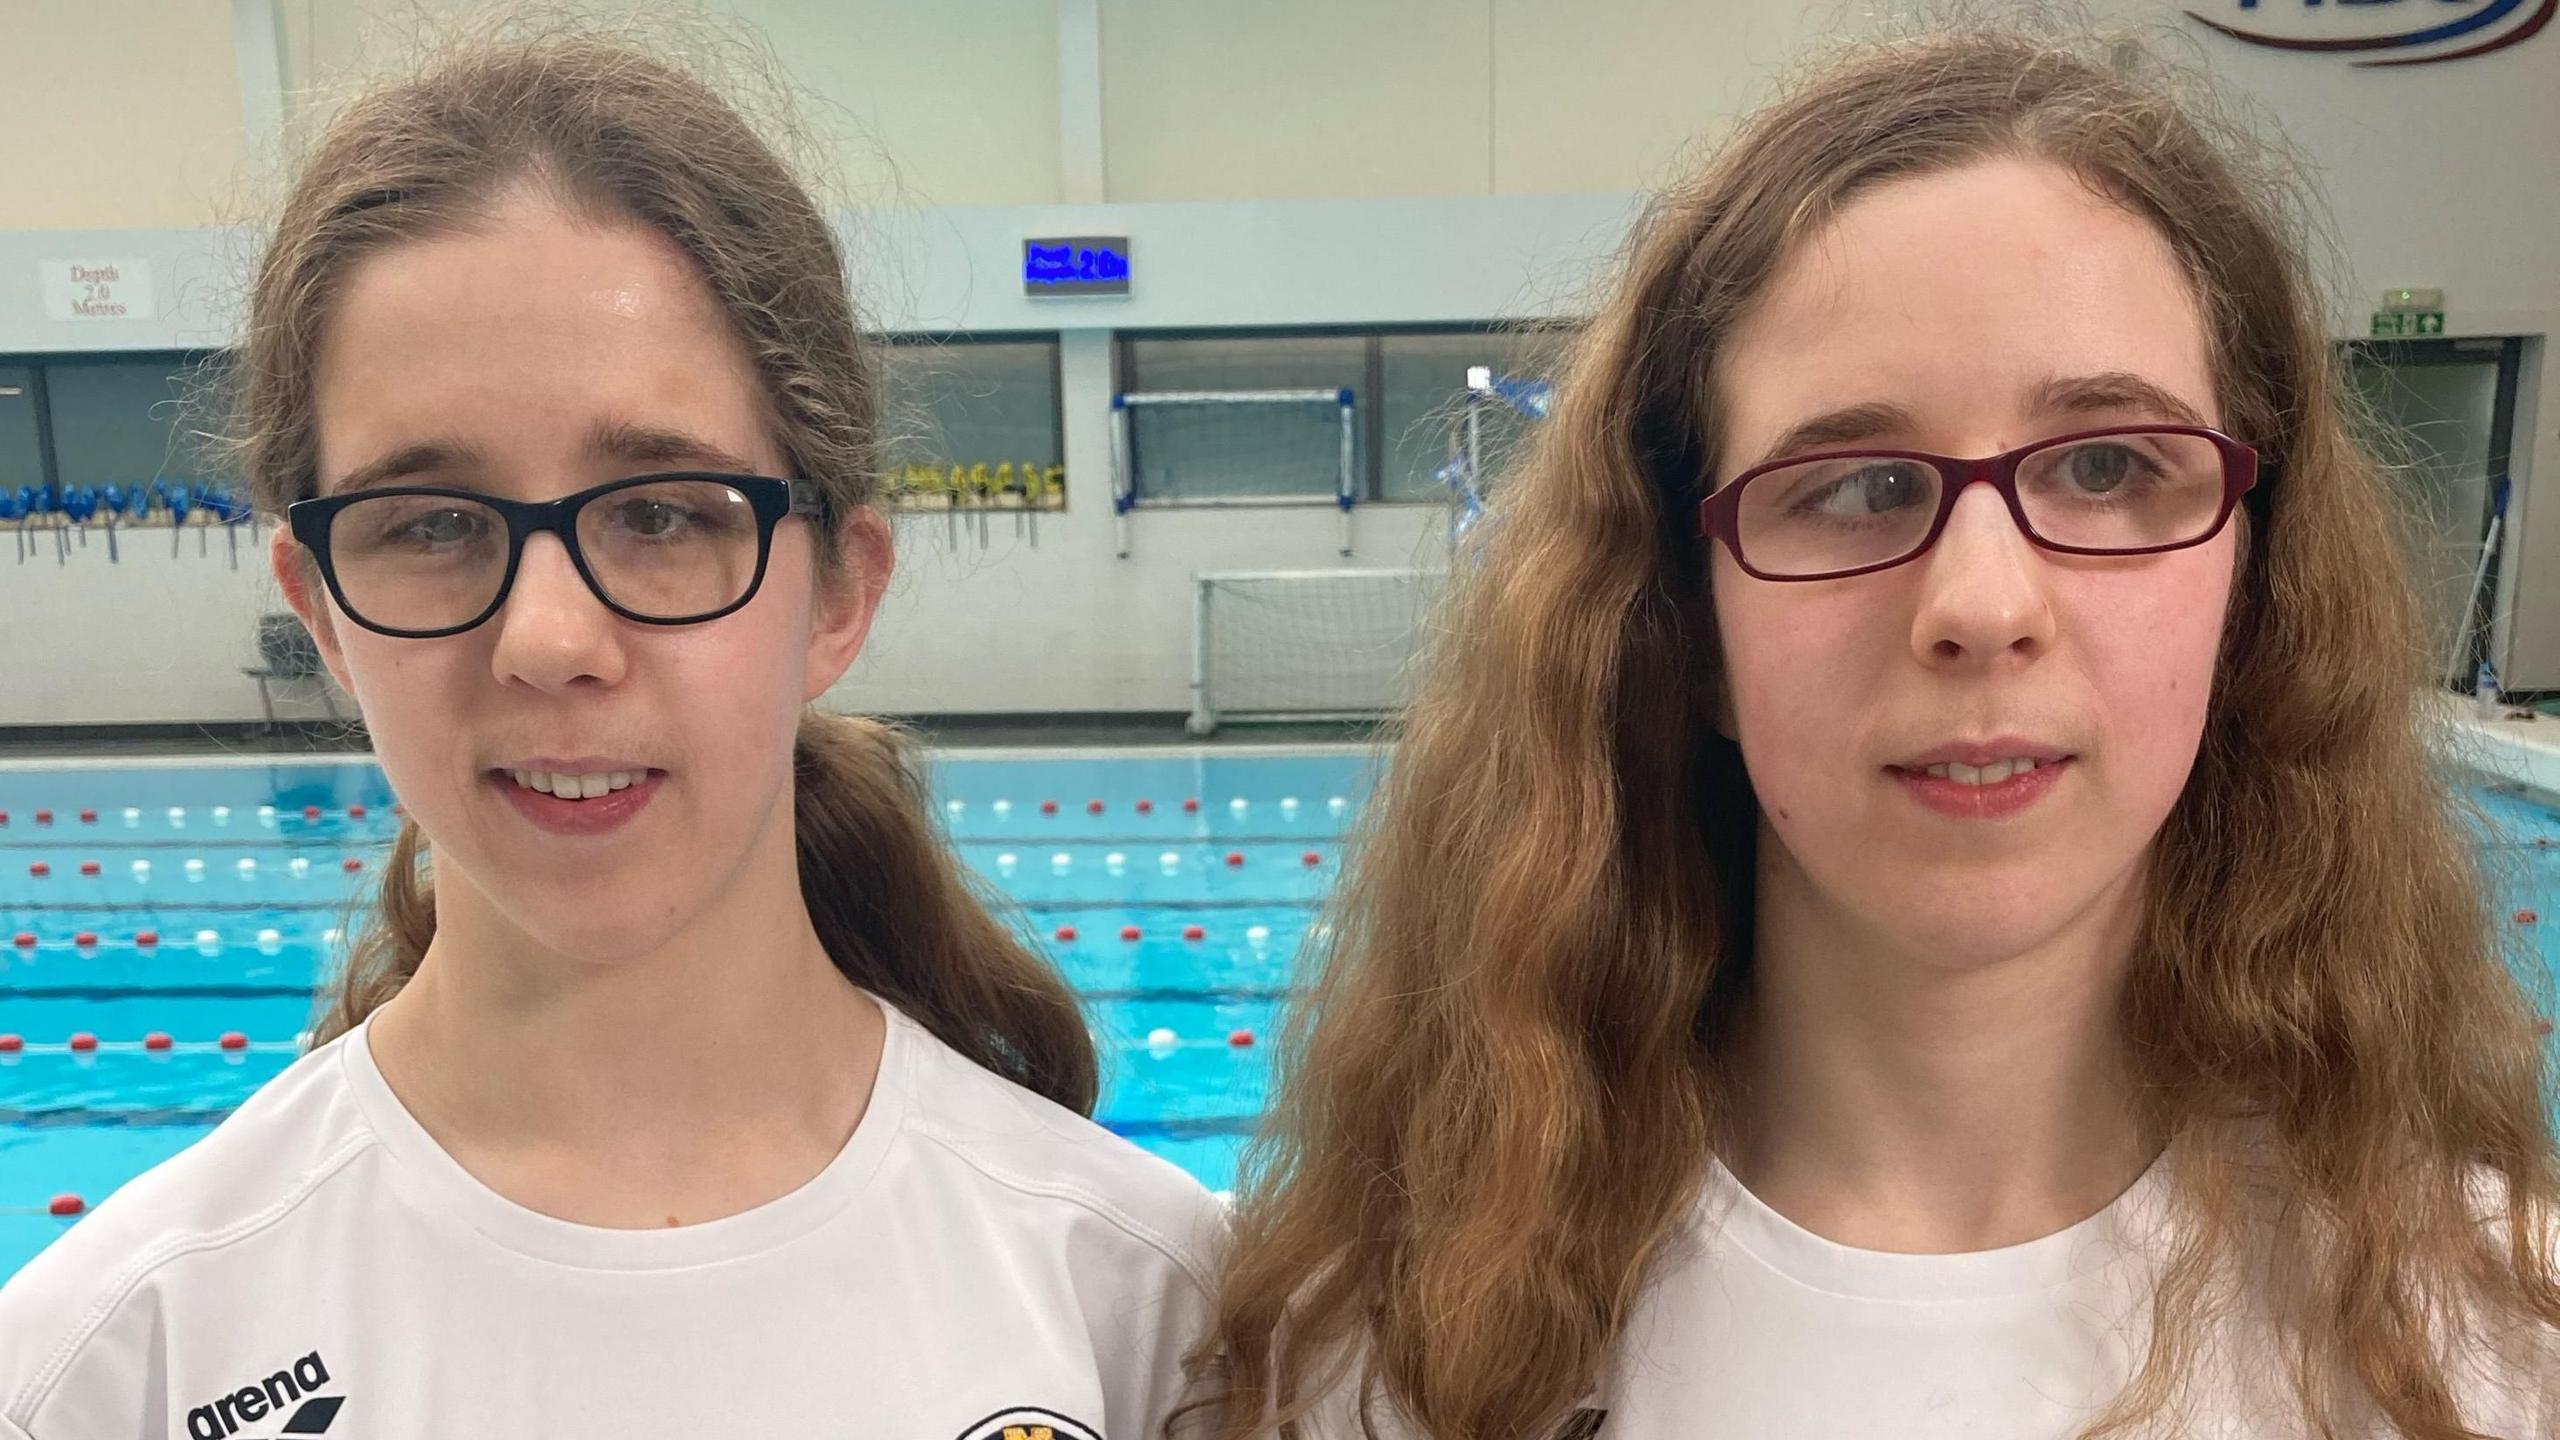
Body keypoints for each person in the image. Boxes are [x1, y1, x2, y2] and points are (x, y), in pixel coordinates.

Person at [1200, 29, 2559, 1440]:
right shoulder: (1394, 1359)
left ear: (2252, 588)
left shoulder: (2492, 1348)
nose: (1980, 604)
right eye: (1849, 485)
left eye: (2109, 467)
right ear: (1689, 627)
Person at [0, 27, 1221, 1440]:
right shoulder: (110, 1366)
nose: (550, 642)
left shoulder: (1144, 1310)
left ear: (841, 589)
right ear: (320, 609)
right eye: (432, 526)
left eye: (660, 514)